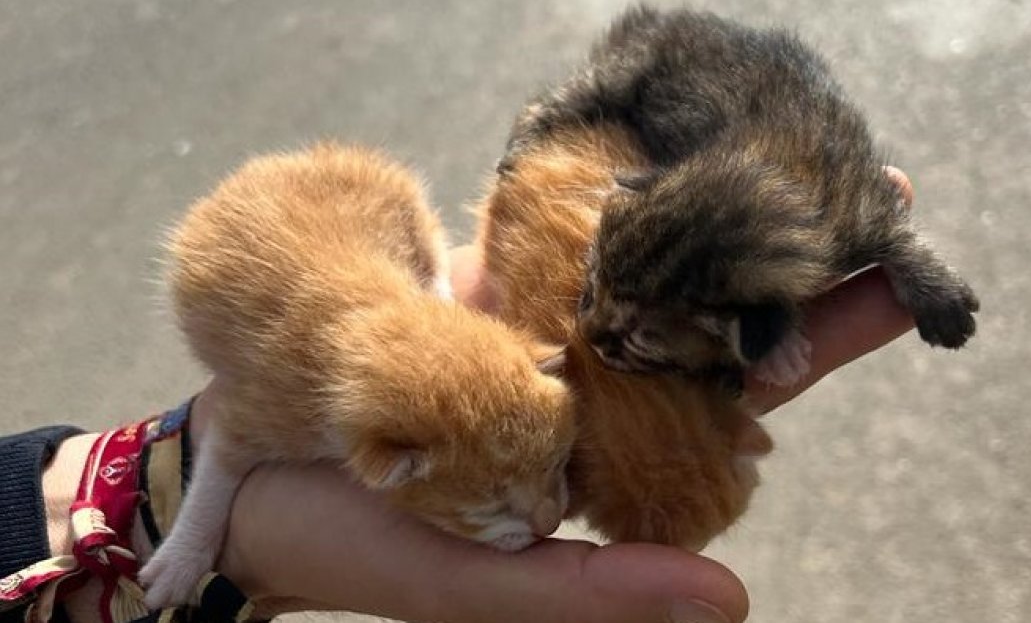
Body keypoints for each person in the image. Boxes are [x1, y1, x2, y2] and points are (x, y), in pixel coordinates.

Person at [5, 173, 918, 623]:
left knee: (393, 218)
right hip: (287, 286)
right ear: (386, 463)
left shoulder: (505, 380)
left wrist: (439, 298)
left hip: (355, 223)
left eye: (551, 473)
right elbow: (233, 442)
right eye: (495, 507)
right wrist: (195, 533)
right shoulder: (312, 410)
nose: (551, 514)